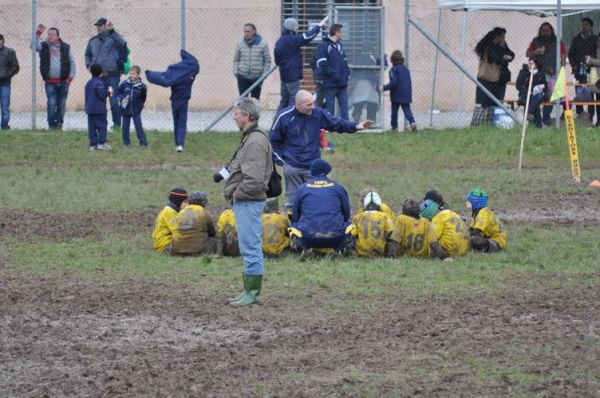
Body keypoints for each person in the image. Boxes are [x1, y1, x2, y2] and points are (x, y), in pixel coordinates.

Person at [269, 90, 374, 211]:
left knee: (315, 200)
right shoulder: (283, 117)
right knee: (293, 204)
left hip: (313, 167)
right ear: (298, 104)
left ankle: (313, 227)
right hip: (292, 168)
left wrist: (355, 127)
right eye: (309, 105)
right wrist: (283, 162)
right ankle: (294, 227)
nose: (312, 107)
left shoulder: (317, 114)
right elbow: (272, 142)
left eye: (313, 103)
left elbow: (336, 123)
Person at [222, 97, 273, 306]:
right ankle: (249, 290)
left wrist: (236, 194)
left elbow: (254, 179)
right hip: (246, 200)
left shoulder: (254, 141)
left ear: (248, 116)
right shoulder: (250, 138)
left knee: (250, 247)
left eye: (237, 113)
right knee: (248, 246)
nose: (234, 117)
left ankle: (252, 293)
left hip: (248, 200)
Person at [289, 159, 352, 260]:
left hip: (308, 236)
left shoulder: (301, 188)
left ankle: (304, 248)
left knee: (293, 225)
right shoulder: (338, 188)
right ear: (327, 172)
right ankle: (338, 249)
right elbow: (347, 214)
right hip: (336, 236)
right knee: (349, 224)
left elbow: (295, 215)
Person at [146, 50, 200, 152]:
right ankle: (180, 144)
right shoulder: (192, 73)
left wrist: (148, 74)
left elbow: (164, 79)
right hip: (184, 101)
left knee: (176, 122)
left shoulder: (174, 73)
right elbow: (189, 58)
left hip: (175, 101)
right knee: (182, 122)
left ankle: (177, 143)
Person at [274, 17, 327, 113]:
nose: (297, 28)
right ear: (293, 27)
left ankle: (276, 121)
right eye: (296, 26)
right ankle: (289, 122)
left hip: (284, 74)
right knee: (293, 100)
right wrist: (319, 26)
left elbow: (277, 59)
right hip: (292, 75)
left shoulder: (280, 40)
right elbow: (308, 36)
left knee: (284, 100)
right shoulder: (292, 39)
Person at [31, 24, 76, 130]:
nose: (50, 36)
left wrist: (70, 78)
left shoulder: (65, 47)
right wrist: (38, 33)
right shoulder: (44, 46)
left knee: (61, 103)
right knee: (51, 103)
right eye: (48, 34)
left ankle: (59, 123)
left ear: (58, 36)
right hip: (50, 82)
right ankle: (51, 125)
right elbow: (33, 46)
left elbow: (72, 62)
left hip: (64, 81)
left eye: (52, 34)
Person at [85, 18, 126, 130]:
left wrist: (112, 31)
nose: (98, 27)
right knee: (99, 103)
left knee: (114, 103)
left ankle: (117, 126)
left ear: (105, 26)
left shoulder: (113, 39)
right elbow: (87, 54)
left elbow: (122, 44)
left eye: (101, 25)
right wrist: (88, 65)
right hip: (97, 78)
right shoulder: (92, 40)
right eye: (97, 25)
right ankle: (101, 126)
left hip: (112, 76)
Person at [526, 22, 566, 124]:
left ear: (551, 31)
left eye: (547, 30)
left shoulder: (557, 41)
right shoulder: (535, 41)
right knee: (538, 94)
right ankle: (537, 119)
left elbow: (563, 55)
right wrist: (536, 52)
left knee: (551, 96)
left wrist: (562, 69)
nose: (545, 33)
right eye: (543, 30)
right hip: (538, 73)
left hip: (553, 73)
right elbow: (528, 53)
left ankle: (546, 117)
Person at [419, 190, 469, 257]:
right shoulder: (452, 213)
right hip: (464, 249)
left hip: (451, 250)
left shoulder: (437, 218)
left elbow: (433, 238)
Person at [316, 24, 350, 120]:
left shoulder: (340, 46)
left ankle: (346, 127)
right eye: (341, 32)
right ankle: (329, 126)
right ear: (336, 32)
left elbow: (345, 62)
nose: (342, 34)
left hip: (342, 82)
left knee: (344, 107)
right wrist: (334, 74)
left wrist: (346, 75)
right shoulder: (323, 46)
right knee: (329, 106)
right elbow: (322, 64)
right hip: (330, 83)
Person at [475, 27, 515, 109]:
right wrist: (501, 50)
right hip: (488, 78)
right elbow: (495, 57)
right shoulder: (487, 47)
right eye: (502, 37)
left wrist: (505, 52)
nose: (503, 39)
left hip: (501, 77)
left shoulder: (502, 45)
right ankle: (487, 119)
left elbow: (511, 54)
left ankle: (494, 118)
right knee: (487, 102)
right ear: (496, 37)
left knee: (498, 101)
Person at [569, 18, 598, 124]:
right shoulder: (576, 39)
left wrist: (593, 62)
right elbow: (570, 54)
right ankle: (580, 115)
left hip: (593, 71)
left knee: (592, 93)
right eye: (582, 24)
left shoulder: (595, 39)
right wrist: (574, 66)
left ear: (591, 26)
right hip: (579, 71)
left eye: (586, 24)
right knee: (579, 93)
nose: (583, 26)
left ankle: (591, 116)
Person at [233, 23, 271, 100]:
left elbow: (267, 60)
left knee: (255, 101)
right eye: (245, 32)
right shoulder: (240, 44)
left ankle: (253, 112)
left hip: (257, 77)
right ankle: (244, 112)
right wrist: (236, 72)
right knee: (243, 101)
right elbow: (236, 59)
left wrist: (264, 75)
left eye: (248, 31)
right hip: (242, 76)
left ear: (254, 31)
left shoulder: (263, 44)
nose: (246, 34)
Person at [350, 190, 394, 257]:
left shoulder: (358, 217)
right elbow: (391, 231)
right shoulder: (385, 216)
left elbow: (352, 235)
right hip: (380, 251)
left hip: (362, 252)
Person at [384, 50, 416, 131]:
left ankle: (394, 128)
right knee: (406, 109)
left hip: (396, 94)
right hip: (406, 94)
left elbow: (393, 83)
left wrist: (384, 87)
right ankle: (412, 122)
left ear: (392, 60)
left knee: (394, 111)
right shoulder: (406, 69)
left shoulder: (393, 70)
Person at [466, 188, 506, 253]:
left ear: (476, 202)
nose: (466, 203)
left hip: (496, 243)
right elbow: (470, 230)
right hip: (488, 240)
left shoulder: (483, 212)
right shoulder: (475, 213)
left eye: (469, 201)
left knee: (473, 239)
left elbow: (476, 232)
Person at [117, 65, 148, 147]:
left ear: (138, 75)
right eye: (130, 73)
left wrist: (139, 106)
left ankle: (143, 142)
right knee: (125, 127)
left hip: (136, 110)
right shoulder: (124, 84)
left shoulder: (142, 86)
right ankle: (126, 143)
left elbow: (143, 97)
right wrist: (121, 99)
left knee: (138, 126)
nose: (131, 75)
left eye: (133, 74)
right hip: (125, 109)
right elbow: (118, 93)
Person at [151, 188, 188, 254]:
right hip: (164, 245)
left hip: (167, 243)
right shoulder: (169, 212)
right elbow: (177, 231)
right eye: (185, 202)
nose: (187, 205)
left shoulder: (171, 210)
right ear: (178, 202)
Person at [85, 64, 112, 151]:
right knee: (102, 126)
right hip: (99, 109)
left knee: (92, 127)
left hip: (90, 109)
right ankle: (101, 143)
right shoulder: (99, 83)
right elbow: (102, 95)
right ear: (101, 73)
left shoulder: (88, 83)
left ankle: (93, 145)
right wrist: (109, 92)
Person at [516, 59, 548, 128]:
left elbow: (545, 86)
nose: (530, 65)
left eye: (532, 63)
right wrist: (530, 90)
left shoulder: (541, 73)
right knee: (535, 101)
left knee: (538, 96)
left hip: (538, 94)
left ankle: (529, 112)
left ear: (536, 65)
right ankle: (538, 124)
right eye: (529, 63)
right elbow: (518, 85)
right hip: (526, 94)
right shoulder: (523, 72)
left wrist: (542, 87)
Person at [350, 52, 380, 124]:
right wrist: (377, 83)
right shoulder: (371, 58)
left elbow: (353, 73)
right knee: (372, 101)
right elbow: (375, 73)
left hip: (359, 82)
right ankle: (371, 120)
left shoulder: (358, 58)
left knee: (359, 101)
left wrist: (352, 82)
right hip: (369, 82)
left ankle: (357, 116)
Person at [0, 34, 19, 130]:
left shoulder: (9, 52)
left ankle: (4, 126)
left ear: (2, 41)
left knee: (5, 106)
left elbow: (15, 67)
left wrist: (5, 75)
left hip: (4, 84)